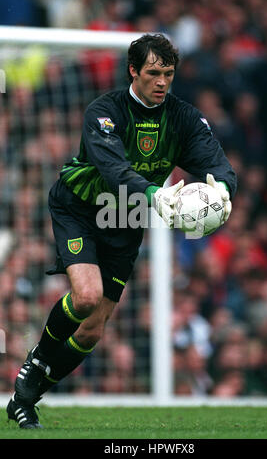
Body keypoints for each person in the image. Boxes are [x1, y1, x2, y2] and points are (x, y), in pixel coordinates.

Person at [7, 33, 237, 428]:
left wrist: (223, 194)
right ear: (133, 70)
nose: (162, 82)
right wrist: (154, 193)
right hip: (79, 207)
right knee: (86, 297)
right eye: (153, 73)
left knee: (93, 330)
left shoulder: (183, 118)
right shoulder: (104, 111)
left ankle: (28, 396)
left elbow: (217, 164)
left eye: (168, 73)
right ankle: (35, 362)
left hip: (125, 219)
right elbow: (113, 169)